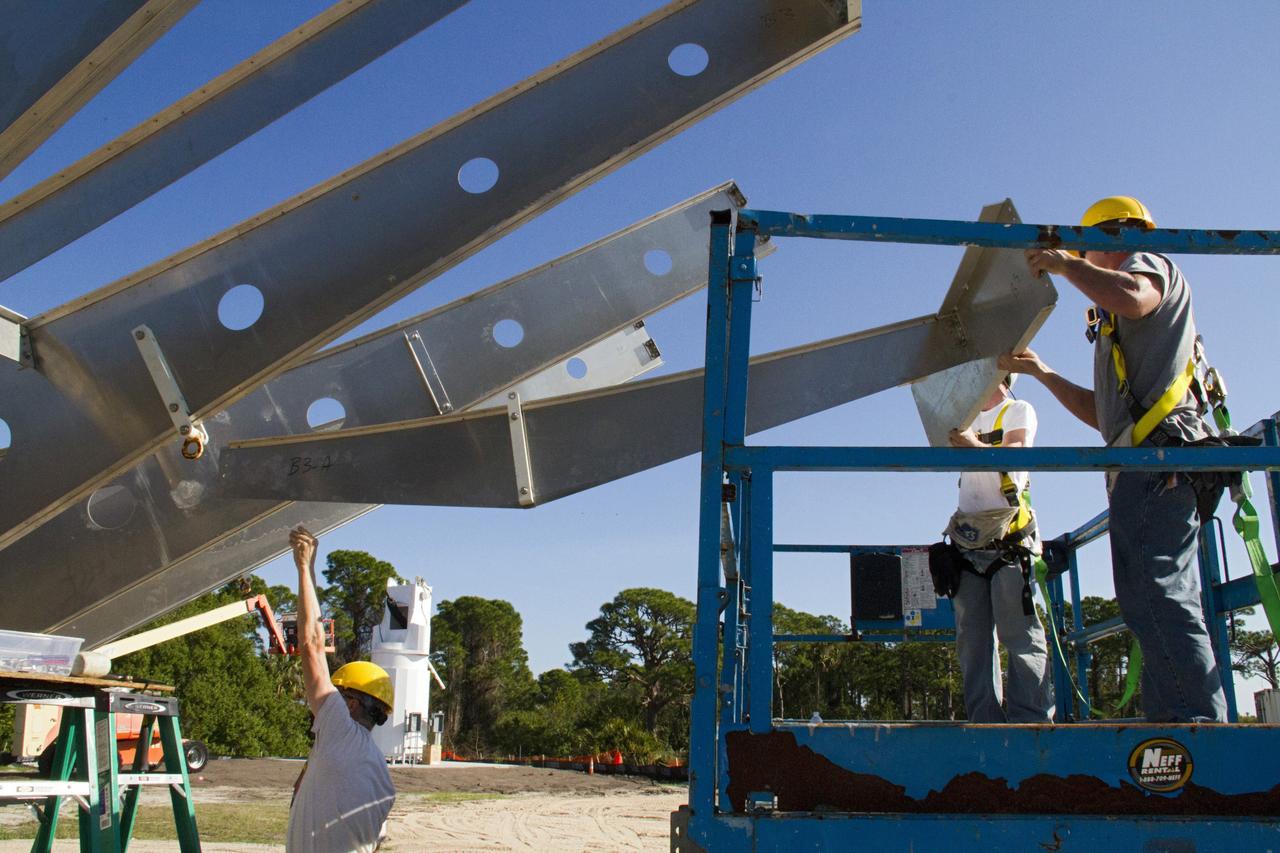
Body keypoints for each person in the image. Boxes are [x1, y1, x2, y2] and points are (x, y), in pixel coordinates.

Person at [1005, 195, 1228, 723]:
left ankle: (1199, 732)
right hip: (1141, 463)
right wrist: (1043, 374)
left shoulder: (1144, 265)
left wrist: (1065, 263)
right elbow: (1102, 417)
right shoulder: (1115, 323)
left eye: (1088, 247)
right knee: (1147, 600)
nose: (1082, 257)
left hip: (1161, 458)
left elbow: (1136, 294)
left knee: (1160, 594)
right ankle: (1173, 732)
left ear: (1118, 234)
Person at [946, 375, 1055, 723]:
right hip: (968, 542)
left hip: (1009, 540)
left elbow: (1014, 452)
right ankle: (985, 723)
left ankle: (1031, 722)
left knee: (1019, 635)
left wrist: (971, 446)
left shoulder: (1016, 410)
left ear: (1000, 378)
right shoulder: (963, 422)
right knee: (972, 640)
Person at [287, 526, 397, 852]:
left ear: (349, 705)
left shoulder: (338, 728)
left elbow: (311, 644)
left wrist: (304, 568)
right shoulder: (381, 778)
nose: (318, 703)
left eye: (336, 695)